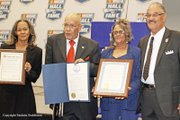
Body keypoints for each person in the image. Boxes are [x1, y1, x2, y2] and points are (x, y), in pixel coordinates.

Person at [45, 13, 100, 120]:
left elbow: (98, 69)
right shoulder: (53, 41)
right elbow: (49, 69)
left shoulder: (92, 45)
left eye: (72, 26)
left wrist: (85, 66)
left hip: (84, 103)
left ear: (80, 27)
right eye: (65, 25)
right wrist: (53, 98)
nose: (67, 29)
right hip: (62, 100)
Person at [138, 2, 180, 120]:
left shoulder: (177, 38)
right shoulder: (143, 42)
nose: (151, 18)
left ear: (164, 16)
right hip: (146, 99)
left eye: (155, 15)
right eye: (148, 15)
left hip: (169, 101)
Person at [0, 19, 42, 119]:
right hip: (5, 94)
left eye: (25, 29)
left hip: (24, 96)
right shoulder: (5, 47)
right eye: (19, 30)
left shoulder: (37, 51)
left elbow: (35, 77)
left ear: (30, 31)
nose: (22, 32)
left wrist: (29, 70)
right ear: (15, 32)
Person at [100, 18, 141, 120]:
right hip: (108, 103)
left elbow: (139, 77)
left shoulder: (136, 52)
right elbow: (100, 75)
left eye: (120, 32)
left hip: (129, 101)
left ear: (127, 33)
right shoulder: (106, 53)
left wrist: (128, 90)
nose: (117, 34)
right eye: (115, 32)